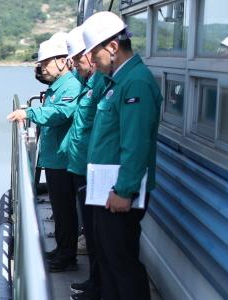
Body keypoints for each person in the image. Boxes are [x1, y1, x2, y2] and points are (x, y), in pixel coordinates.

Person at [81, 11, 163, 300]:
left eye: (94, 53)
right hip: (105, 190)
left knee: (122, 263)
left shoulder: (135, 83)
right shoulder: (116, 81)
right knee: (107, 260)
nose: (91, 60)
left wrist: (124, 190)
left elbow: (136, 142)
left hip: (119, 193)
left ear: (113, 48)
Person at [7, 35, 82, 272]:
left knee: (65, 211)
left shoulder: (70, 86)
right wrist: (31, 109)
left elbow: (61, 113)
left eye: (46, 63)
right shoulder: (56, 87)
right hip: (54, 157)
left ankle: (67, 257)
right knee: (60, 210)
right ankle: (62, 250)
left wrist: (30, 114)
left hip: (63, 159)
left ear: (62, 61)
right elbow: (51, 108)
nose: (42, 69)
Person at [61, 25, 105, 300]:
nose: (75, 65)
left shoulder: (100, 83)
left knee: (99, 235)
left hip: (93, 171)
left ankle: (99, 285)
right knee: (91, 232)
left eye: (78, 59)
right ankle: (94, 281)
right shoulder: (88, 82)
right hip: (81, 167)